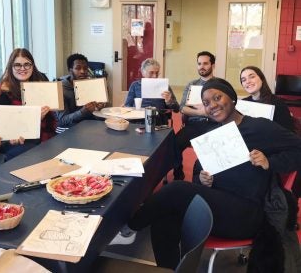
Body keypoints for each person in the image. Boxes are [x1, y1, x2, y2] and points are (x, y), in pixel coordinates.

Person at [125, 78, 301, 270]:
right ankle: (170, 269)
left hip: (248, 213)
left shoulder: (260, 127)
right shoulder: (213, 135)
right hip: (218, 206)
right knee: (165, 215)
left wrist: (270, 162)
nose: (213, 106)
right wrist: (201, 179)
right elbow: (199, 171)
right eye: (207, 103)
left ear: (232, 99)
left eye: (217, 97)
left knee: (176, 189)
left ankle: (129, 227)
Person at [0, 48, 56, 160]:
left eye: (27, 64)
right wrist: (35, 118)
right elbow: (5, 126)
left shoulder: (41, 81)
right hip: (15, 141)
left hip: (43, 133)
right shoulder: (3, 91)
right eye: (17, 65)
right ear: (11, 67)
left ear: (32, 66)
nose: (23, 68)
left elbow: (52, 116)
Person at [174, 51, 218, 180]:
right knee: (175, 143)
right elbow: (182, 107)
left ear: (212, 65)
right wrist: (201, 112)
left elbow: (226, 108)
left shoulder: (220, 85)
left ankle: (207, 177)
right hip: (194, 124)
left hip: (214, 124)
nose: (202, 67)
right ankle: (178, 173)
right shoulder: (191, 85)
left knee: (214, 148)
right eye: (199, 64)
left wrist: (208, 112)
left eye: (205, 63)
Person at [55, 53, 105, 133]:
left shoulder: (89, 85)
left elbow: (92, 112)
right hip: (66, 128)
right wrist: (83, 111)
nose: (82, 71)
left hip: (86, 125)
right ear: (70, 70)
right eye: (78, 68)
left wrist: (97, 108)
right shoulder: (59, 89)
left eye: (85, 68)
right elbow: (63, 120)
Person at [124, 58, 179, 125]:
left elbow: (176, 109)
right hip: (138, 120)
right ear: (143, 72)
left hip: (158, 120)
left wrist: (169, 101)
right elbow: (127, 106)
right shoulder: (135, 85)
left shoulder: (164, 86)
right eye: (151, 73)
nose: (154, 76)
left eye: (157, 73)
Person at [240, 65, 294, 132]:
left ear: (262, 79)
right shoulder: (243, 103)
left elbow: (288, 132)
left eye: (252, 77)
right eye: (244, 80)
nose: (247, 81)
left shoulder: (278, 103)